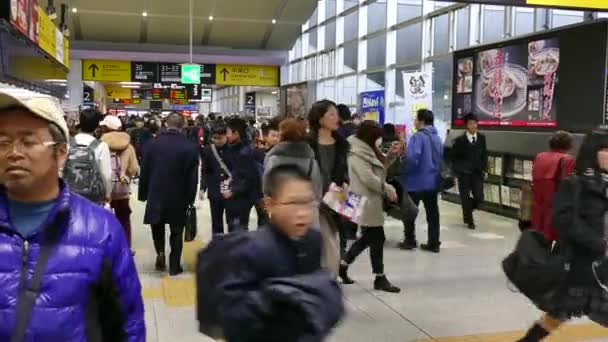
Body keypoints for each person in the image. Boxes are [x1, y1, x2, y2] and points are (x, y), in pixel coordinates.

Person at [0, 92, 145, 340]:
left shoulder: (101, 230)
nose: (13, 152)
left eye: (28, 141)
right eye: (2, 142)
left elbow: (126, 325)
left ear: (61, 152)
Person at [221, 164, 343, 341]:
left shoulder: (313, 241)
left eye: (308, 203)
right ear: (270, 205)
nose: (302, 212)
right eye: (293, 203)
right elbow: (234, 319)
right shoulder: (253, 250)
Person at [518, 127, 608, 342]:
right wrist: (599, 243)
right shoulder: (575, 184)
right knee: (562, 310)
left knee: (558, 312)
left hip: (598, 264)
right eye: (605, 149)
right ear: (592, 151)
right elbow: (566, 221)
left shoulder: (603, 182)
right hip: (583, 263)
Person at [339, 121, 401, 292]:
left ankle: (344, 265)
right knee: (376, 237)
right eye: (376, 139)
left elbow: (380, 169)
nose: (378, 142)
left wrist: (391, 156)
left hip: (369, 200)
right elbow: (367, 177)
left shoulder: (368, 148)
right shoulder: (356, 153)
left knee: (370, 238)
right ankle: (379, 277)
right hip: (362, 200)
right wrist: (387, 188)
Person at [138, 112, 199, 275]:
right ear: (183, 126)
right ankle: (174, 265)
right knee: (177, 230)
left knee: (156, 225)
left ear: (165, 124)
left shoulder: (151, 144)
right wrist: (190, 199)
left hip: (156, 192)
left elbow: (144, 171)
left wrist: (143, 193)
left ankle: (160, 253)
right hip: (179, 196)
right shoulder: (190, 147)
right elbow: (193, 178)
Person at [308, 100, 350, 275]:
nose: (336, 118)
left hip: (335, 198)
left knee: (334, 241)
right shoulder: (307, 143)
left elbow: (345, 172)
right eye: (331, 114)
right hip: (312, 200)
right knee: (321, 243)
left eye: (336, 114)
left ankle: (328, 280)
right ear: (319, 118)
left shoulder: (342, 144)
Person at [398, 109, 443, 253]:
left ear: (422, 120)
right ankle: (433, 242)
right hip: (433, 182)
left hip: (416, 182)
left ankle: (410, 240)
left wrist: (404, 167)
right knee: (433, 214)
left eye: (416, 119)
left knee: (410, 212)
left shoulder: (418, 137)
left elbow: (412, 159)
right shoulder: (437, 138)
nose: (415, 122)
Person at [100, 115, 139, 250]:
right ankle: (126, 247)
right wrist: (126, 174)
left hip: (105, 190)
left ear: (106, 128)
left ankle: (107, 247)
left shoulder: (100, 144)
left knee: (104, 219)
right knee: (124, 219)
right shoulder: (128, 147)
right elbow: (134, 169)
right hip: (122, 189)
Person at [263, 118, 323, 206]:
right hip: (303, 208)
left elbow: (267, 188)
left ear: (283, 135)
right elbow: (317, 191)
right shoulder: (311, 162)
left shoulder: (273, 159)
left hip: (280, 208)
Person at [531, 131, 576, 242]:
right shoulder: (567, 159)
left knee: (539, 238)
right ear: (568, 145)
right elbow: (568, 185)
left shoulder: (540, 156)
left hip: (538, 206)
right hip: (555, 207)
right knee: (557, 238)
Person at [451, 113, 488, 230]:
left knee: (479, 197)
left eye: (475, 123)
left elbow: (484, 155)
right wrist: (457, 170)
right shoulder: (459, 140)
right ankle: (470, 220)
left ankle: (467, 211)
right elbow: (454, 157)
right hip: (464, 173)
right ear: (466, 126)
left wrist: (485, 169)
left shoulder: (482, 138)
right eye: (471, 123)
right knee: (465, 197)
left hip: (477, 173)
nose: (473, 126)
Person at [69, 109, 112, 204]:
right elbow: (106, 174)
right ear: (97, 126)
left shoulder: (68, 144)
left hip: (69, 195)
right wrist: (108, 194)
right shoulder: (101, 146)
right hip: (93, 197)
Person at [224, 117, 258, 232]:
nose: (227, 135)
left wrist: (233, 191)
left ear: (236, 133)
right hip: (237, 196)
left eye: (228, 132)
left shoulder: (244, 152)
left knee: (238, 229)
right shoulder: (235, 148)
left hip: (241, 199)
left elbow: (248, 179)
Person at [200, 124, 231, 236]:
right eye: (215, 138)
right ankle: (218, 245)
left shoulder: (232, 149)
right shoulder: (208, 150)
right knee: (216, 221)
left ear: (226, 136)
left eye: (220, 138)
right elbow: (204, 170)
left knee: (232, 221)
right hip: (215, 190)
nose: (217, 141)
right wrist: (203, 188)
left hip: (231, 191)